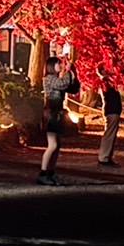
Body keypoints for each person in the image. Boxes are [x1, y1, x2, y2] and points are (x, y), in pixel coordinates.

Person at [38, 55, 79, 185]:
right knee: (53, 145)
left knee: (56, 145)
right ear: (51, 66)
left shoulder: (56, 79)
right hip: (51, 114)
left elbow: (73, 88)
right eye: (58, 64)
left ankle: (50, 172)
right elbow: (63, 84)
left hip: (56, 114)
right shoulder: (49, 79)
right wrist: (68, 71)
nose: (60, 66)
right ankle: (43, 173)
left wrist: (74, 72)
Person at [96, 69, 123, 166]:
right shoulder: (105, 82)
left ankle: (107, 156)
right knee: (109, 134)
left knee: (111, 134)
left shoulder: (108, 81)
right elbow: (109, 93)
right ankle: (104, 157)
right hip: (111, 109)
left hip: (113, 109)